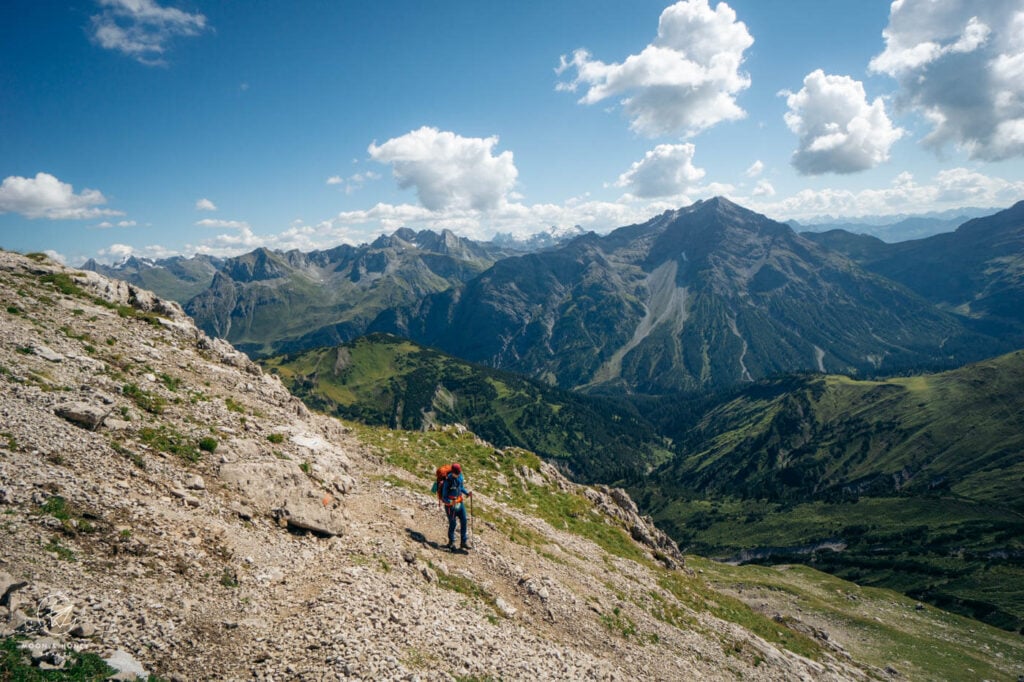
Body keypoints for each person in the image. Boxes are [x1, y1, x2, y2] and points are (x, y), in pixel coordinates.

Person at [440, 462, 472, 551]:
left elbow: (460, 487)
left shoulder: (460, 477)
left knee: (464, 520)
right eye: (456, 473)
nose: (458, 475)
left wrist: (466, 493)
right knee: (453, 523)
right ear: (452, 472)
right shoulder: (448, 481)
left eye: (459, 473)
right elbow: (444, 497)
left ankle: (464, 542)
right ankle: (451, 542)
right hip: (450, 507)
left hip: (459, 503)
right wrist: (450, 502)